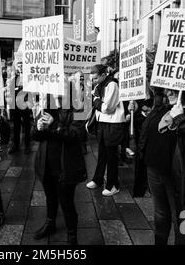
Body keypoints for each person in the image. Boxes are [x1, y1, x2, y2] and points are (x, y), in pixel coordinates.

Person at [140, 89, 185, 245]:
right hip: (155, 170)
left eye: (173, 90)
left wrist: (179, 117)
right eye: (167, 90)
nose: (168, 93)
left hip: (181, 177)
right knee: (160, 213)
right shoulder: (163, 108)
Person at [32, 99, 87, 245]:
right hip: (46, 164)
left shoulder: (78, 107)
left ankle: (72, 236)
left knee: (66, 202)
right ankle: (50, 224)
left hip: (66, 167)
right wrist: (37, 128)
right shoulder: (45, 104)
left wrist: (54, 125)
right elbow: (35, 136)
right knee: (50, 197)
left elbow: (77, 135)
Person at [86, 64, 126, 196]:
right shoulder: (100, 85)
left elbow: (107, 108)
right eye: (92, 78)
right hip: (103, 123)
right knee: (102, 154)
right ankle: (98, 179)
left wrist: (96, 99)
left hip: (112, 124)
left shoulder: (112, 85)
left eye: (95, 78)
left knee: (111, 156)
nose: (93, 81)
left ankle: (113, 185)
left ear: (104, 75)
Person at [8, 60, 32, 154]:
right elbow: (11, 91)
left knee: (27, 126)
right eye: (19, 65)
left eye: (22, 65)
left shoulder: (29, 78)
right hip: (16, 107)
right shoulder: (15, 78)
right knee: (16, 127)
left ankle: (27, 146)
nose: (20, 67)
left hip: (25, 106)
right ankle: (16, 145)